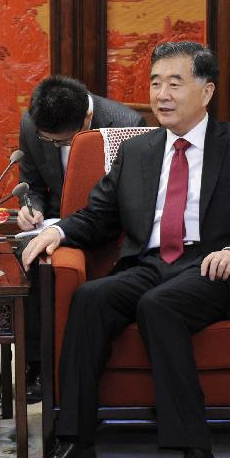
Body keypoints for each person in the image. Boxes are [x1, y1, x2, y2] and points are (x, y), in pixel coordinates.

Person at [19, 42, 230, 458]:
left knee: (158, 306)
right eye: (154, 83)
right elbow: (98, 216)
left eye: (175, 83)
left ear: (206, 92)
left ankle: (197, 451)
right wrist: (59, 232)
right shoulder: (139, 150)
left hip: (214, 268)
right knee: (89, 298)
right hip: (152, 263)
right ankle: (75, 444)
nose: (161, 94)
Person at [12, 76, 145, 403]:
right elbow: (31, 186)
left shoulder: (127, 124)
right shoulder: (32, 123)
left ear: (85, 120)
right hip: (54, 221)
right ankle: (32, 360)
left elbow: (132, 201)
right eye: (49, 140)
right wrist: (30, 210)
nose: (53, 145)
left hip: (106, 227)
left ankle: (55, 363)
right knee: (25, 254)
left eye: (61, 142)